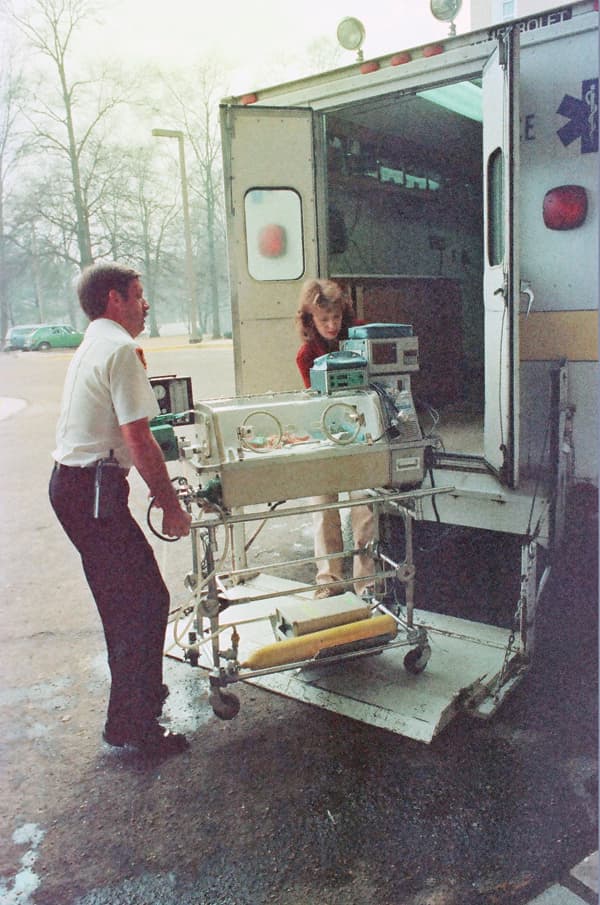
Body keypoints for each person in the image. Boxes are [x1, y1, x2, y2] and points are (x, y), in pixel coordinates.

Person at [49, 262, 192, 756]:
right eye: (138, 294)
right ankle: (131, 724)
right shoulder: (120, 349)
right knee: (142, 602)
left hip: (75, 487)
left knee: (128, 602)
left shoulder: (97, 341)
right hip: (91, 491)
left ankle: (139, 699)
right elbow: (139, 438)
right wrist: (170, 506)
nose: (146, 303)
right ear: (115, 298)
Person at [295, 278, 375, 598]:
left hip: (360, 432)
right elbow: (314, 399)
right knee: (323, 508)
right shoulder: (305, 355)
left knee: (365, 510)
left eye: (337, 318)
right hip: (325, 432)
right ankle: (328, 580)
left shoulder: (360, 338)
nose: (331, 325)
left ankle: (367, 583)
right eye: (323, 319)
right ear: (310, 320)